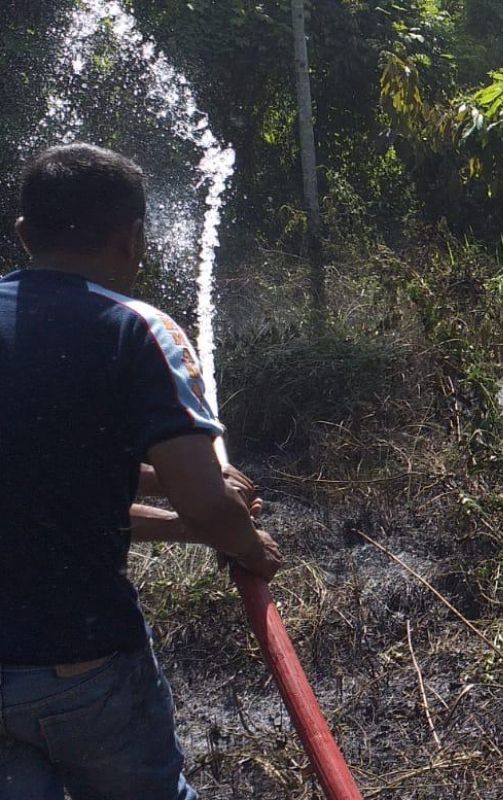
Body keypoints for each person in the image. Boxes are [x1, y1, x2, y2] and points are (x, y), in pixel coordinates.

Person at [0, 143, 283, 800]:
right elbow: (207, 501)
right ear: (132, 242)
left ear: (22, 235)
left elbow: (50, 482)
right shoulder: (137, 329)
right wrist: (246, 544)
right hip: (84, 663)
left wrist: (173, 508)